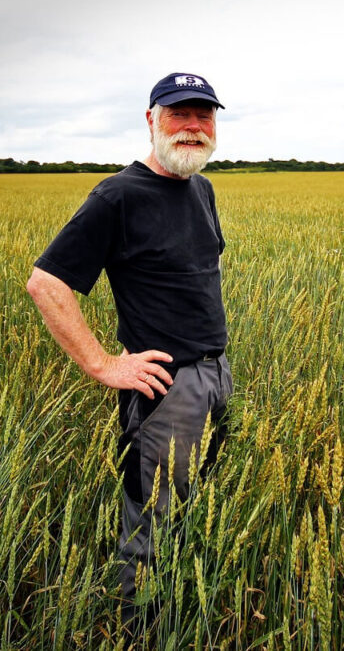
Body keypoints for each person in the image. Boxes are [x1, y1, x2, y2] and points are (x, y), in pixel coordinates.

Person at [26, 72, 233, 634]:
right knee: (152, 522)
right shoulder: (118, 195)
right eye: (178, 115)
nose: (193, 127)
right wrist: (102, 364)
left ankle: (182, 607)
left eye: (204, 115)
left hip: (216, 376)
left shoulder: (201, 189)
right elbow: (46, 282)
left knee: (196, 506)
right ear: (151, 120)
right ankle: (140, 629)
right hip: (165, 391)